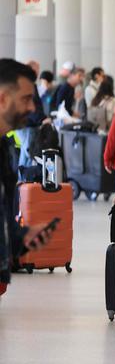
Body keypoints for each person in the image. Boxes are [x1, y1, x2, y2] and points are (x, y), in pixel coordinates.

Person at [0, 58, 53, 288]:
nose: (32, 108)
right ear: (3, 99)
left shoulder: (4, 147)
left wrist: (19, 238)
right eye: (26, 99)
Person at [15, 61, 47, 170]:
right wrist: (42, 119)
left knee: (26, 152)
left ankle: (22, 180)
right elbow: (32, 105)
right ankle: (23, 181)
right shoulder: (28, 84)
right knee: (28, 152)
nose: (38, 73)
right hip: (28, 124)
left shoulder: (21, 83)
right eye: (37, 69)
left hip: (24, 123)